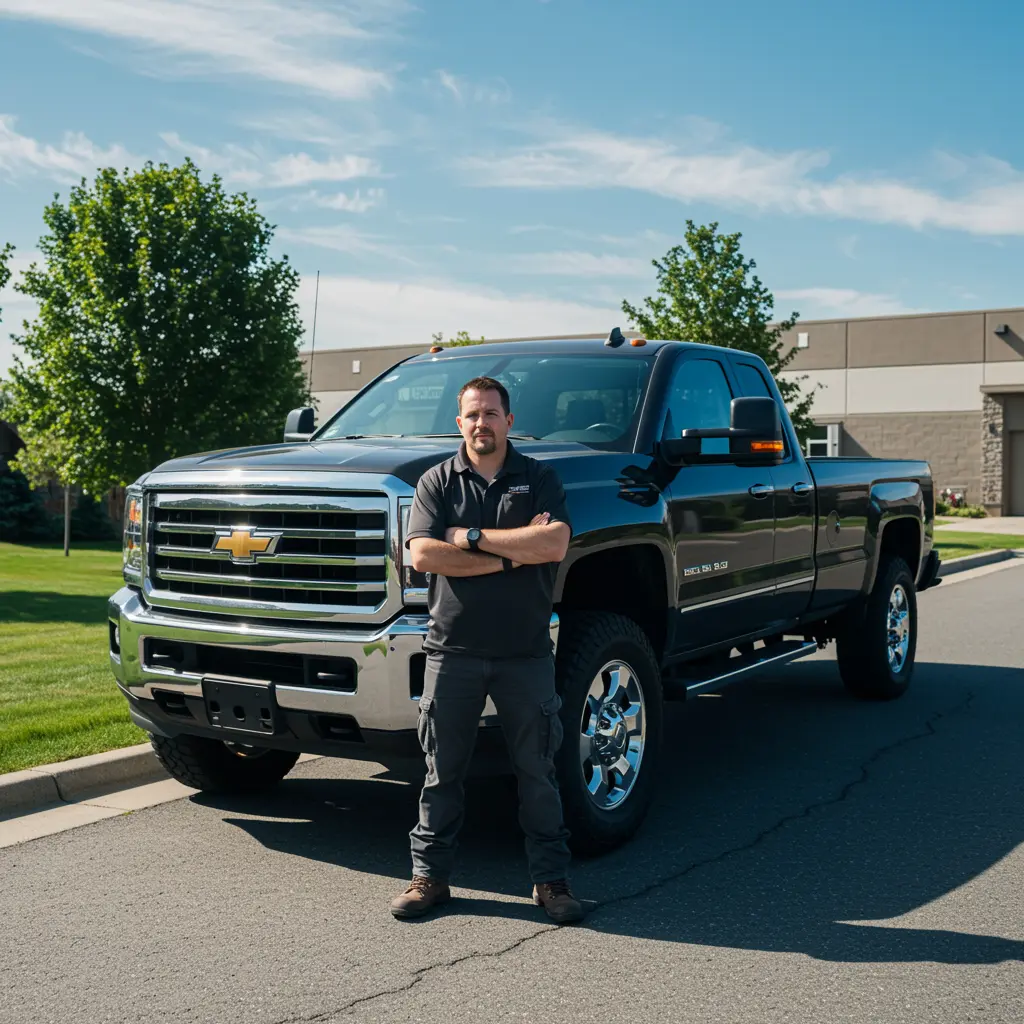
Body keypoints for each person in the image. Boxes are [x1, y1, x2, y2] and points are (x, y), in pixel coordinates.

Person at [390, 375, 583, 924]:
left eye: (491, 414)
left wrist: (468, 538)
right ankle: (429, 879)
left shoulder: (539, 477)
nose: (482, 424)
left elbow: (554, 542)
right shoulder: (435, 482)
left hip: (525, 654)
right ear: (460, 423)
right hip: (451, 652)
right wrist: (511, 553)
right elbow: (424, 555)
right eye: (472, 415)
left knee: (537, 773)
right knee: (441, 772)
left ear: (508, 421)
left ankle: (551, 883)